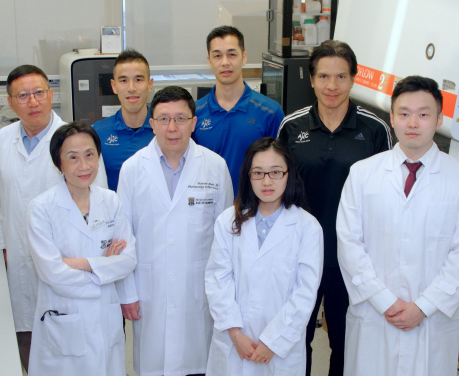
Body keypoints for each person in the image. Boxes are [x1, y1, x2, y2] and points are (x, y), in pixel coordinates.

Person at [336, 76, 459, 376]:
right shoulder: (363, 174)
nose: (413, 122)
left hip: (430, 320)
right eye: (404, 113)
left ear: (440, 119)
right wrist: (385, 301)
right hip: (375, 317)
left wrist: (424, 306)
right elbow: (349, 244)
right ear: (392, 118)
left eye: (424, 114)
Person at [277, 40, 391, 375]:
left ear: (354, 79)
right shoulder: (292, 127)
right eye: (324, 76)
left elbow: (386, 197)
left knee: (347, 342)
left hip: (353, 260)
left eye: (341, 77)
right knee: (295, 339)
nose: (332, 86)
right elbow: (278, 192)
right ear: (311, 79)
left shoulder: (374, 129)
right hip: (300, 256)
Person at [0, 65, 107, 372]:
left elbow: (101, 202)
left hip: (69, 263)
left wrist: (97, 261)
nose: (33, 102)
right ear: (10, 102)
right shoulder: (2, 139)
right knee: (27, 334)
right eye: (23, 96)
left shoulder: (75, 138)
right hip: (19, 257)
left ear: (51, 95)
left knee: (72, 342)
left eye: (39, 93)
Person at [115, 86, 234, 376]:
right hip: (149, 290)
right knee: (153, 365)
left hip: (199, 292)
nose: (172, 127)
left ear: (194, 123)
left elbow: (227, 240)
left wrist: (225, 294)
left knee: (199, 365)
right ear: (151, 123)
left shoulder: (215, 167)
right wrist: (127, 293)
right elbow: (123, 238)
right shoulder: (132, 169)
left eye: (181, 118)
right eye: (164, 119)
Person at [205, 137, 324, 375]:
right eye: (258, 173)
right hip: (234, 344)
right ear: (248, 176)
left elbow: (305, 293)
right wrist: (235, 333)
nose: (267, 181)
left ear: (288, 174)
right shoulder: (227, 221)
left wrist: (273, 342)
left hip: (280, 351)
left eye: (276, 172)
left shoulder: (307, 227)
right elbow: (218, 279)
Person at [27, 122, 136, 376]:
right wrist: (104, 270)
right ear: (59, 163)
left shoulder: (110, 200)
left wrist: (80, 263)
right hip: (64, 319)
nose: (84, 166)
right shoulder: (42, 208)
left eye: (89, 155)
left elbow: (129, 259)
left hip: (105, 320)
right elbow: (52, 274)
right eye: (72, 157)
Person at [193, 26, 284, 195]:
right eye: (217, 55)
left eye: (232, 54)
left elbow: (281, 170)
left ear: (244, 57)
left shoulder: (270, 112)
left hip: (254, 212)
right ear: (209, 61)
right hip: (207, 212)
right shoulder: (194, 114)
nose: (225, 62)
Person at [92, 48, 155, 191]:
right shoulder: (97, 134)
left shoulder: (167, 130)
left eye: (138, 80)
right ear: (114, 86)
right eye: (123, 80)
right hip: (114, 212)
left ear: (150, 84)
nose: (131, 88)